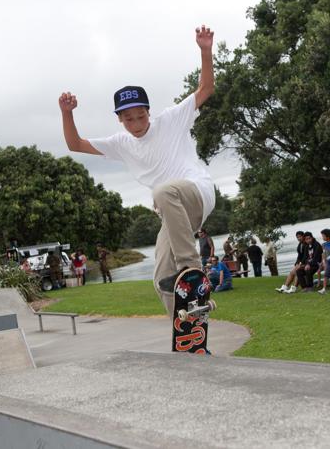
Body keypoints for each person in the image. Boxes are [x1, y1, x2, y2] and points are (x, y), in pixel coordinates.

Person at [60, 25, 216, 319]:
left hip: (196, 192)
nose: (136, 123)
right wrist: (67, 113)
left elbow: (205, 89)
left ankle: (191, 268)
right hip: (174, 216)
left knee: (162, 193)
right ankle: (189, 323)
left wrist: (205, 51)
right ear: (120, 119)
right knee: (161, 278)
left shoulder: (171, 119)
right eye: (129, 119)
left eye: (141, 116)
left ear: (149, 111)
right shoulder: (120, 144)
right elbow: (75, 144)